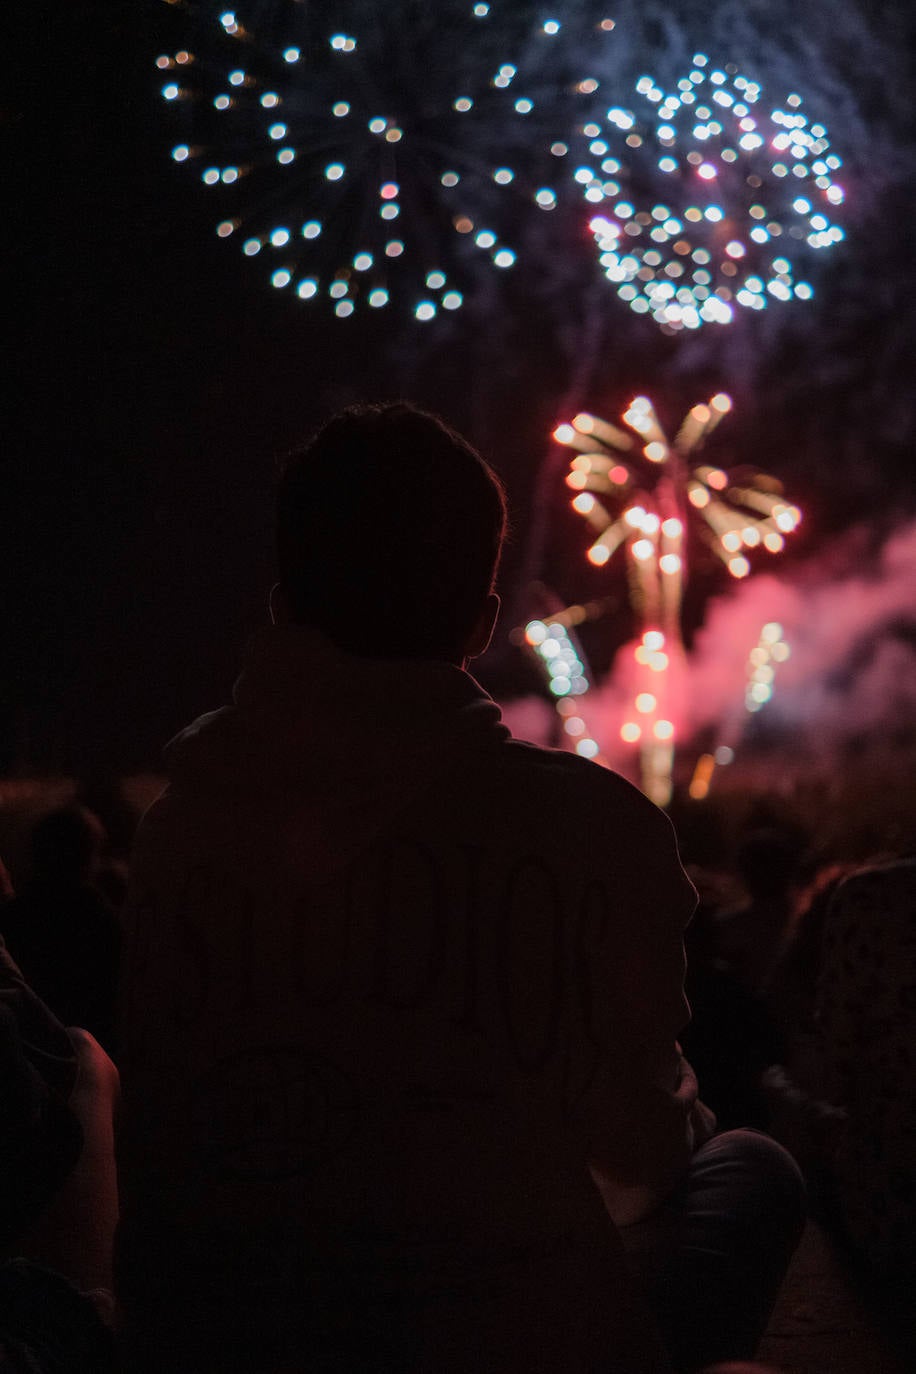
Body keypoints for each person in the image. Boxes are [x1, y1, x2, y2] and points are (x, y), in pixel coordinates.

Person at [116, 403, 803, 1373]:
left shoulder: (177, 829)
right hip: (506, 1332)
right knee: (754, 1168)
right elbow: (640, 1154)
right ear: (481, 625)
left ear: (281, 602)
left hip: (224, 1330)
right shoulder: (599, 826)